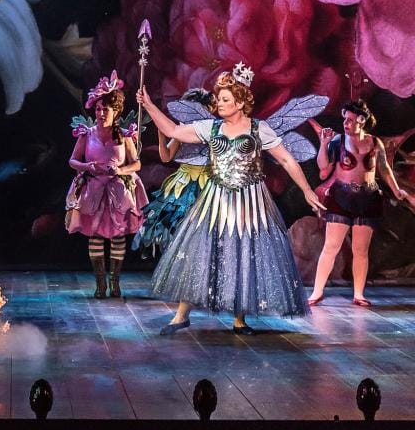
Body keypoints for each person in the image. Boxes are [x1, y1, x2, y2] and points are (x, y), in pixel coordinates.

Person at [137, 64, 325, 334]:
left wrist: (307, 190)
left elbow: (286, 160)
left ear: (240, 103)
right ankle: (180, 316)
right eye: (219, 99)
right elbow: (174, 132)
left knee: (244, 253)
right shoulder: (210, 128)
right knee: (201, 253)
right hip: (216, 199)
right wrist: (149, 105)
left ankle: (239, 319)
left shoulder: (259, 129)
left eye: (225, 99)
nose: (220, 103)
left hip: (250, 200)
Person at [308, 100, 415, 307]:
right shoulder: (338, 141)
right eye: (344, 119)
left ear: (361, 120)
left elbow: (384, 169)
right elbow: (323, 168)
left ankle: (358, 294)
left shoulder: (374, 143)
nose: (345, 123)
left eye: (350, 120)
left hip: (368, 198)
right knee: (331, 246)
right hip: (341, 197)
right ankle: (316, 292)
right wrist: (323, 144)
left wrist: (397, 190)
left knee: (360, 249)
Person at [65, 71, 148, 298]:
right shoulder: (87, 135)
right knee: (95, 234)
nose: (101, 113)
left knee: (118, 234)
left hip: (117, 192)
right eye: (99, 109)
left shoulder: (124, 136)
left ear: (116, 111)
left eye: (106, 109)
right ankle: (100, 283)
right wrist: (88, 166)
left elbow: (137, 163)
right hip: (93, 190)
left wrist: (120, 170)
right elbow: (72, 161)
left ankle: (115, 281)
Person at [131, 89, 215, 260]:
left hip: (206, 181)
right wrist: (161, 136)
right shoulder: (182, 130)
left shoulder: (212, 129)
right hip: (183, 182)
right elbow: (166, 157)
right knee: (178, 223)